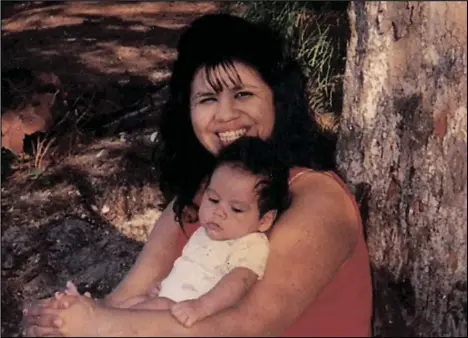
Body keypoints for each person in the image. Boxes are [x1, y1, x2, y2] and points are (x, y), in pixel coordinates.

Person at [24, 13, 373, 337]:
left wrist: (100, 323)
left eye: (243, 94)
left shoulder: (317, 197)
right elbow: (121, 303)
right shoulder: (195, 199)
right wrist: (59, 318)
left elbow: (252, 323)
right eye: (207, 99)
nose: (225, 115)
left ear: (278, 102)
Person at [58, 137, 291, 328]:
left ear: (264, 220)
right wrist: (165, 284)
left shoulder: (250, 243)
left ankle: (90, 319)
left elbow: (239, 282)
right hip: (169, 301)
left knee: (133, 317)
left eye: (236, 208)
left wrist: (202, 307)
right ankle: (87, 310)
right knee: (133, 303)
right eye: (213, 199)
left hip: (191, 316)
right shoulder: (206, 233)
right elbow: (189, 269)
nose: (218, 212)